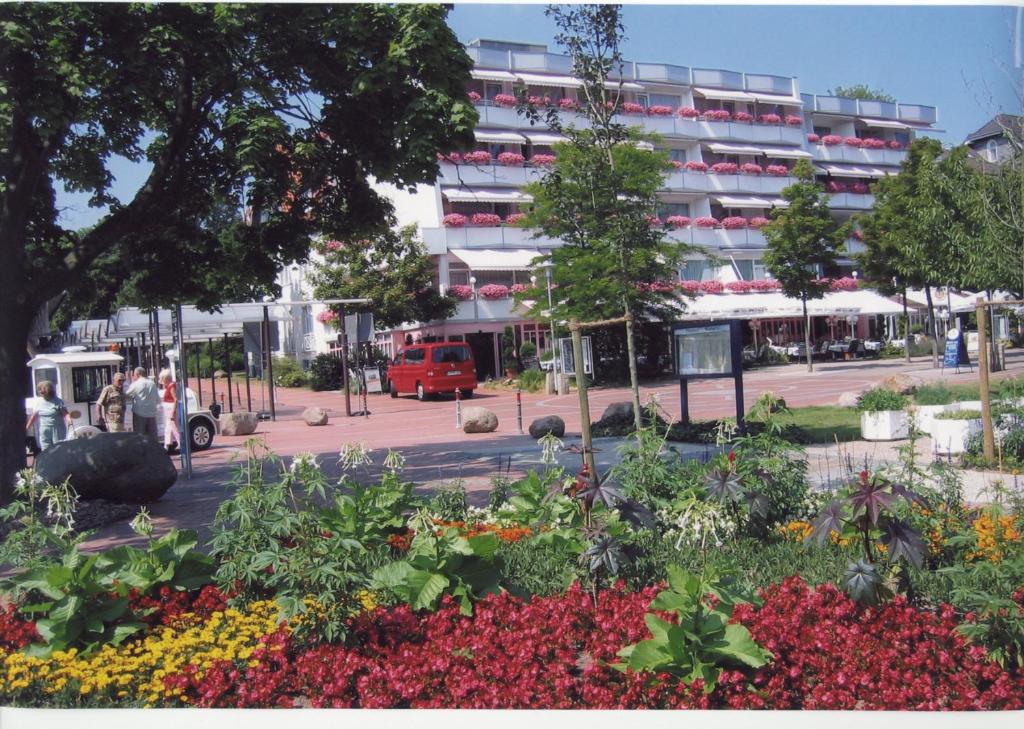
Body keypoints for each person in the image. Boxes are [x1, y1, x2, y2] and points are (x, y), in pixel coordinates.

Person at [25, 381, 72, 451]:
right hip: (44, 430)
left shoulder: (58, 401)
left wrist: (69, 420)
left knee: (59, 449)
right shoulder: (38, 402)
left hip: (57, 429)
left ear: (49, 390)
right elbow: (34, 416)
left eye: (43, 389)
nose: (40, 391)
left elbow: (65, 413)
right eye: (39, 389)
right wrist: (27, 427)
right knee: (45, 450)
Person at [126, 367, 161, 442]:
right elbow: (158, 400)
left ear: (137, 374)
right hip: (152, 413)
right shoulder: (152, 384)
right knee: (153, 437)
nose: (133, 377)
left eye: (134, 375)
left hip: (139, 413)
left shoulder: (135, 384)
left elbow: (127, 396)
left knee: (140, 437)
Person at [158, 369, 181, 454]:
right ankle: (167, 445)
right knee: (169, 427)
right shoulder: (170, 386)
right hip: (168, 407)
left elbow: (175, 399)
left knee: (173, 428)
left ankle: (179, 443)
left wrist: (172, 412)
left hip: (170, 408)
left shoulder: (171, 386)